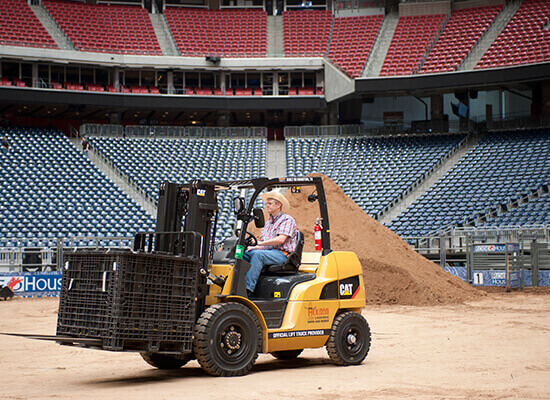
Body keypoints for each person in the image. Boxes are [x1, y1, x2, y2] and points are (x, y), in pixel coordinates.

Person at [243, 190, 297, 297]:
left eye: (270, 203)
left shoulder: (287, 220)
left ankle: (247, 289)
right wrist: (253, 246)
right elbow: (265, 245)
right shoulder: (268, 223)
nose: (267, 206)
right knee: (242, 253)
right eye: (267, 203)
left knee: (258, 255)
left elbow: (280, 240)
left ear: (278, 205)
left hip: (282, 254)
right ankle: (235, 283)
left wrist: (259, 244)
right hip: (269, 252)